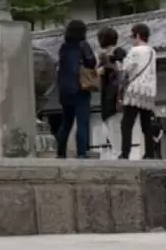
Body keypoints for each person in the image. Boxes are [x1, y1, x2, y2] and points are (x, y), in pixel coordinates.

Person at [55, 19, 97, 158]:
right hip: (80, 88)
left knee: (66, 123)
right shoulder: (83, 45)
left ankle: (60, 153)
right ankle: (81, 154)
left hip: (65, 90)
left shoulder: (63, 48)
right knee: (82, 122)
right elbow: (91, 62)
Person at [118, 23, 158, 160]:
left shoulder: (134, 51)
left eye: (132, 36)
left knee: (126, 123)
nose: (132, 39)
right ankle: (150, 153)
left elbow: (126, 70)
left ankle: (125, 153)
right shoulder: (153, 51)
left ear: (138, 36)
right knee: (146, 124)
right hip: (149, 91)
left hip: (135, 89)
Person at [95, 28, 125, 159]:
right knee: (114, 124)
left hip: (111, 95)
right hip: (119, 94)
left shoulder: (106, 56)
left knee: (113, 124)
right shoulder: (121, 53)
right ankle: (119, 151)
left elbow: (98, 72)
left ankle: (118, 152)